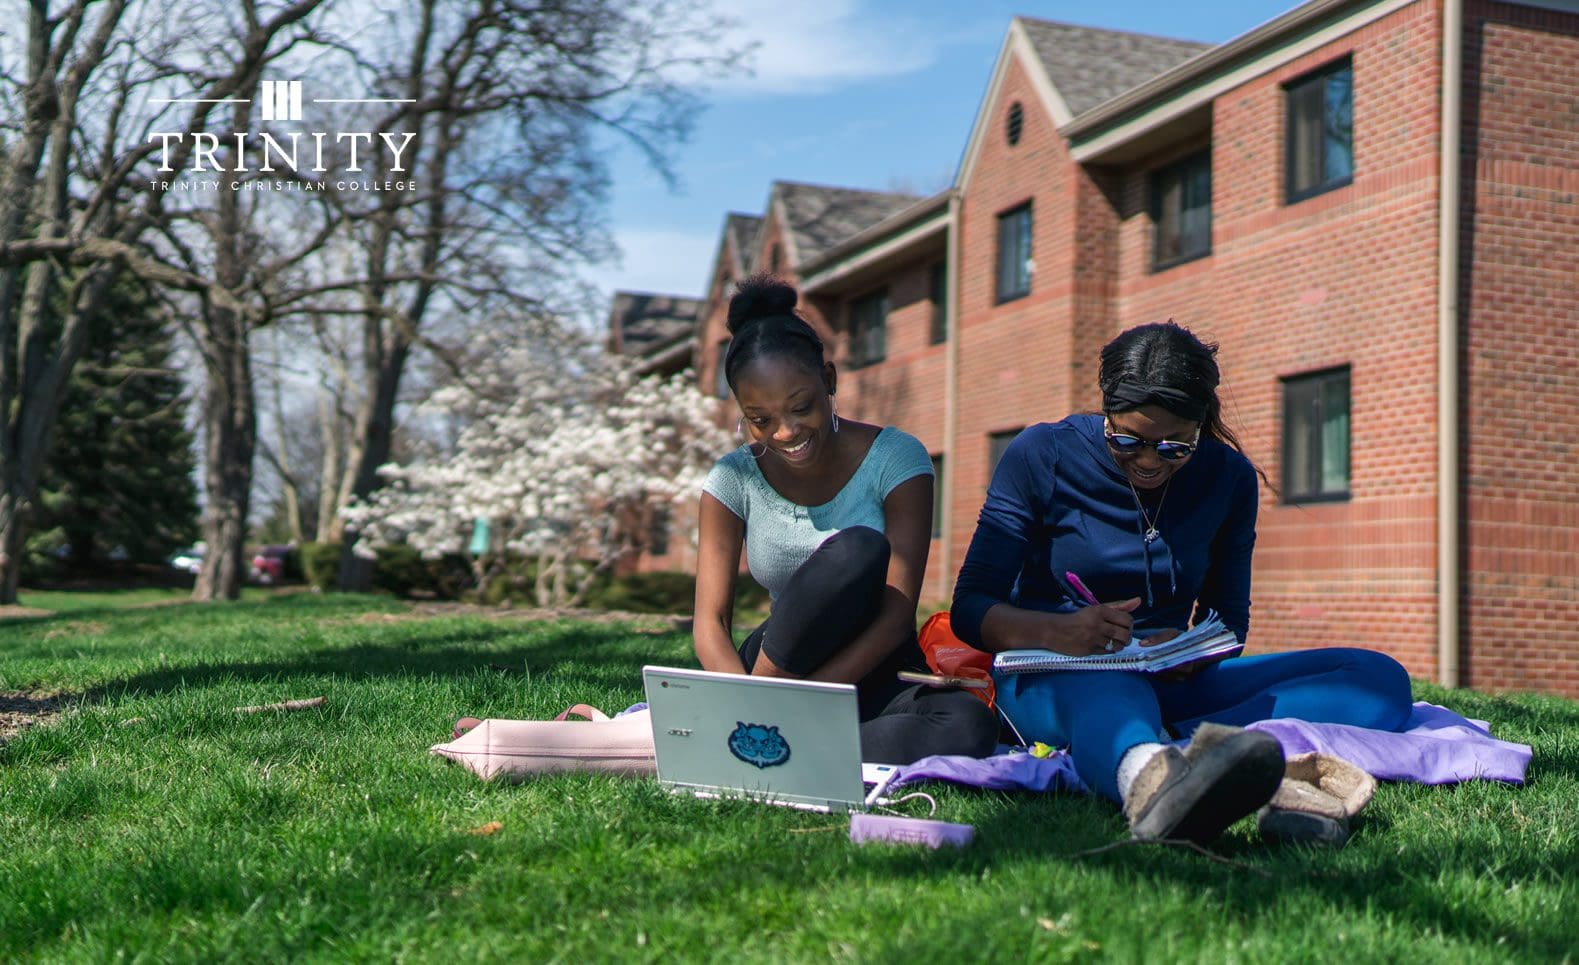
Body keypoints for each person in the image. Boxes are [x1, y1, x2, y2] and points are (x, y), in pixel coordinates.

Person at [951, 321, 1413, 844]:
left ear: (1202, 425)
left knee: (1373, 678)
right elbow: (970, 607)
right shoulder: (1041, 454)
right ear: (1105, 413)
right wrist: (1062, 632)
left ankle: (1201, 755)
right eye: (1128, 440)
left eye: (1176, 447)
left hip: (1168, 678)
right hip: (1055, 673)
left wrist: (1196, 651)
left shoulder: (1229, 479)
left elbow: (1229, 621)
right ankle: (1154, 785)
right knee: (1110, 694)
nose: (1150, 461)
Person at [693, 275, 999, 765]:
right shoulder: (732, 479)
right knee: (857, 548)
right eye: (761, 418)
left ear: (829, 381)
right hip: (774, 670)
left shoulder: (897, 458)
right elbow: (711, 621)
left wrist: (806, 707)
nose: (786, 431)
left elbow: (898, 616)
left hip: (871, 664)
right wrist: (743, 698)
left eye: (800, 407)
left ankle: (780, 744)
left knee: (969, 726)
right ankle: (767, 728)